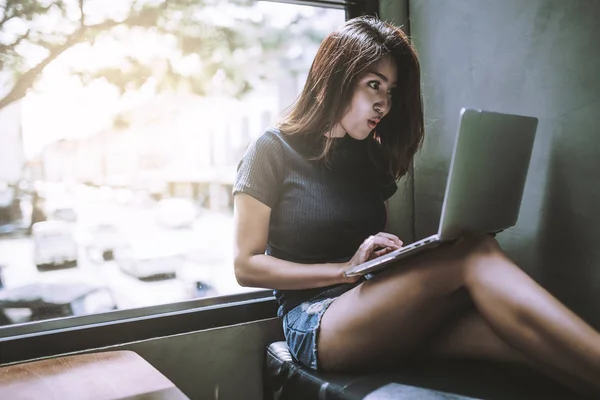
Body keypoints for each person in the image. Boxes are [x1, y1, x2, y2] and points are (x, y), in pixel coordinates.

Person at [232, 16, 600, 395]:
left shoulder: (367, 157)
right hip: (315, 321)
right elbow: (246, 266)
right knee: (474, 251)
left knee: (522, 343)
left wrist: (401, 255)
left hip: (373, 303)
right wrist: (344, 271)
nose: (384, 104)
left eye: (390, 91)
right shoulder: (271, 149)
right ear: (335, 77)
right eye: (373, 85)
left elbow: (370, 247)